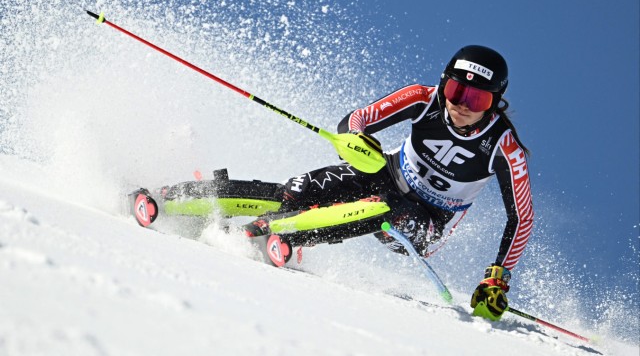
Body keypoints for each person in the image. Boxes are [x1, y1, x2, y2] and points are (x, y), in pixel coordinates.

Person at [133, 45, 533, 321]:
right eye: (456, 90)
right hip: (388, 173)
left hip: (426, 222)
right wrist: (355, 142)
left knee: (386, 207)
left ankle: (282, 234)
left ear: (494, 102)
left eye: (476, 99)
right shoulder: (422, 99)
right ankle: (170, 199)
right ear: (444, 84)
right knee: (297, 191)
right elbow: (355, 120)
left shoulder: (504, 147)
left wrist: (498, 276)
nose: (461, 104)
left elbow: (522, 218)